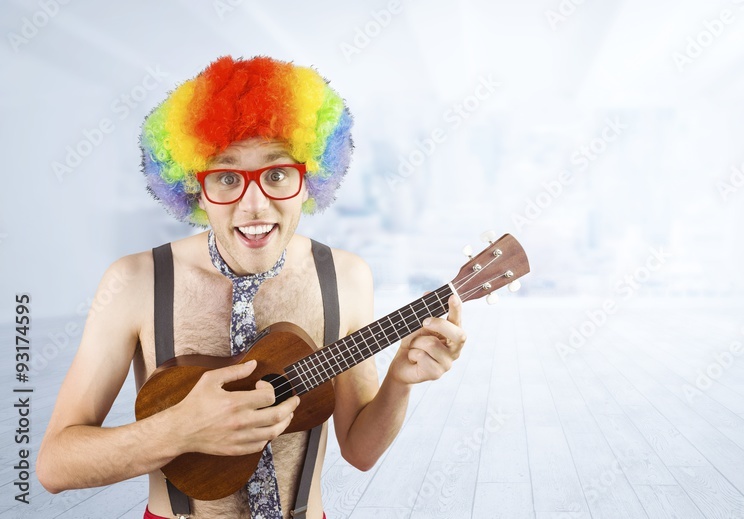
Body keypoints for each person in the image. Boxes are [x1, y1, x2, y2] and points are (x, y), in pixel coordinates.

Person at [37, 55, 467, 519]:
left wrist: (399, 381)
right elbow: (55, 466)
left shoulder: (345, 277)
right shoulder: (136, 282)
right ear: (196, 188)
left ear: (309, 180)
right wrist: (179, 431)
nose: (255, 205)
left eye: (277, 174)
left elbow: (361, 452)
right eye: (226, 177)